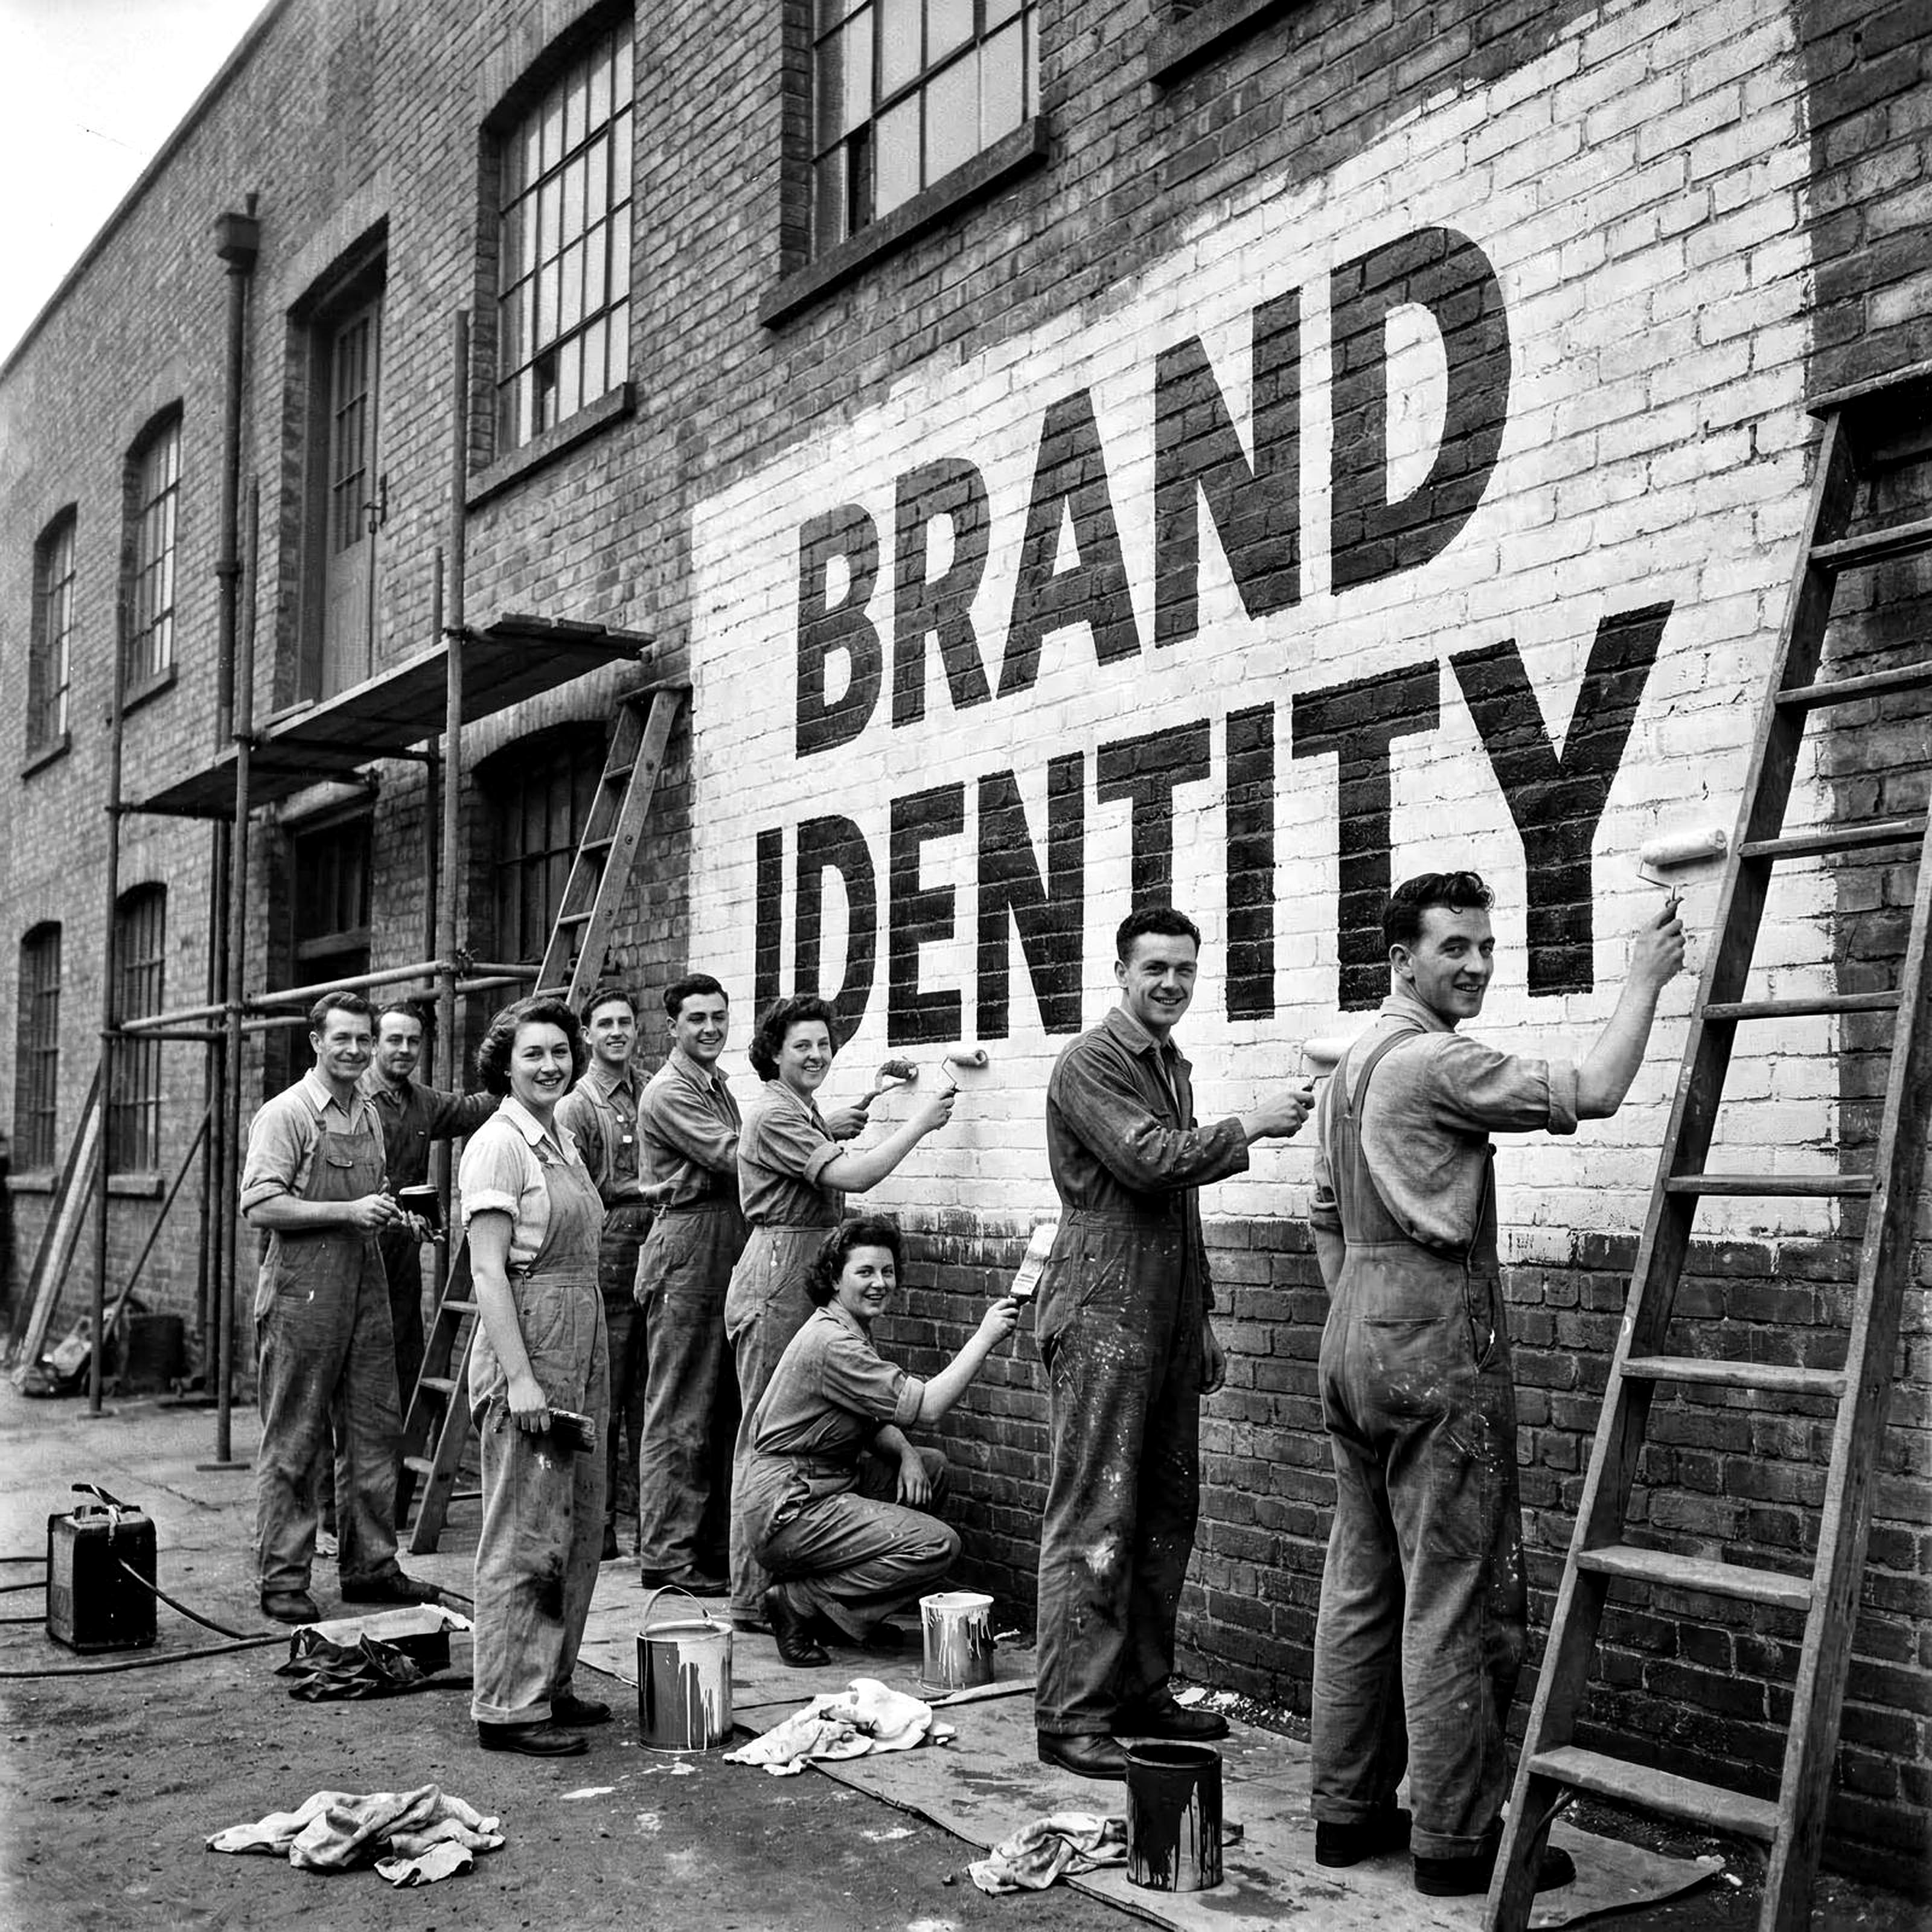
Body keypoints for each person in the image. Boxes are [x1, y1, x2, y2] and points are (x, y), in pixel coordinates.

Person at [1307, 870, 1684, 1897]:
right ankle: (1455, 1840)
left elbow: (1323, 1218)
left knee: (1363, 1585)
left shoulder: (1352, 1063)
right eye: (1452, 948)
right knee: (1453, 1597)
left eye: (1483, 946)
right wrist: (1645, 977)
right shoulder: (1432, 1059)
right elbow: (1597, 1090)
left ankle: (1343, 1816)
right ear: (1403, 962)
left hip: (1354, 1336)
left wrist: (1364, 1322)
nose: (1474, 964)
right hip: (1430, 1337)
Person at [1033, 905, 1311, 1780]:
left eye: (1185, 970)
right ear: (1120, 972)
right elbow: (1150, 1162)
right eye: (1155, 968)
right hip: (1102, 1310)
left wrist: (1204, 1319)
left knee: (1164, 1511)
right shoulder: (1092, 1062)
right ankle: (1070, 1715)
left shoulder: (1170, 1063)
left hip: (1160, 1315)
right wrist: (1252, 1125)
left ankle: (1141, 1689)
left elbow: (1176, 1212)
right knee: (1096, 1514)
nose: (1171, 984)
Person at [726, 993, 955, 1632]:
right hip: (779, 1268)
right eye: (801, 1044)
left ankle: (792, 1587)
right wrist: (918, 1123)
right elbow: (852, 1178)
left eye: (824, 1044)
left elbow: (812, 1151)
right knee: (764, 1428)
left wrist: (828, 1123)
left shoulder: (793, 1109)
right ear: (773, 1051)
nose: (816, 1053)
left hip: (800, 1256)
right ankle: (754, 1599)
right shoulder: (774, 1110)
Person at [741, 1216, 1019, 1665]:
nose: (880, 1284)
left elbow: (868, 1419)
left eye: (887, 1272)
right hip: (791, 1506)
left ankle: (844, 1617)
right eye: (865, 1272)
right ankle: (799, 1603)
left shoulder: (847, 1327)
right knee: (937, 1545)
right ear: (834, 1278)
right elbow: (926, 1407)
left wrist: (907, 1454)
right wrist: (985, 1337)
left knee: (929, 1469)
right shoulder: (834, 1343)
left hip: (818, 1485)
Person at [240, 990, 436, 1624]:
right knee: (296, 1435)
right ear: (316, 1042)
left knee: (375, 1432)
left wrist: (397, 1215)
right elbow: (260, 1205)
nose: (354, 1049)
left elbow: (368, 1195)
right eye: (342, 1038)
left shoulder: (369, 1113)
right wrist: (347, 1212)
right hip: (303, 1291)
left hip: (365, 1285)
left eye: (363, 1039)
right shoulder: (287, 1114)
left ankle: (371, 1565)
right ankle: (283, 1577)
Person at [460, 994, 612, 1758]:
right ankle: (507, 1705)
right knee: (524, 1528)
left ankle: (550, 1680)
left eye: (559, 1052)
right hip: (531, 1335)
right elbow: (487, 1271)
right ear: (505, 1064)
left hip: (580, 1333)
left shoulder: (560, 1139)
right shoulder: (498, 1145)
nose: (550, 1065)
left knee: (578, 1523)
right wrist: (521, 1378)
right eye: (533, 1055)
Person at [353, 998, 494, 1513]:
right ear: (373, 1043)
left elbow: (476, 1108)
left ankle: (394, 1505)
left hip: (401, 1261)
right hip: (350, 1255)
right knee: (349, 1386)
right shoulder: (352, 1099)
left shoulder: (421, 1102)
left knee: (406, 1374)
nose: (405, 1050)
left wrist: (519, 1068)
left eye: (414, 1041)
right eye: (394, 1040)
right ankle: (334, 1512)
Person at [632, 973, 747, 1591]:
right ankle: (668, 1557)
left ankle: (697, 1548)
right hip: (688, 1245)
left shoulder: (715, 1083)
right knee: (679, 1408)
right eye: (696, 1018)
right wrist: (813, 1131)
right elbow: (735, 1155)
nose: (709, 1028)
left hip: (721, 1239)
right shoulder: (669, 1091)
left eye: (718, 1016)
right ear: (672, 1027)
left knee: (714, 1405)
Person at [554, 984, 662, 1562]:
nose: (618, 1032)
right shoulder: (578, 1105)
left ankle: (656, 1533)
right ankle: (598, 1534)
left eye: (626, 1022)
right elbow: (580, 1190)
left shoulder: (651, 1090)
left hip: (659, 1256)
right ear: (589, 1035)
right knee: (608, 1400)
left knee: (655, 1401)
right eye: (606, 1024)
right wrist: (643, 1189)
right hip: (608, 1262)